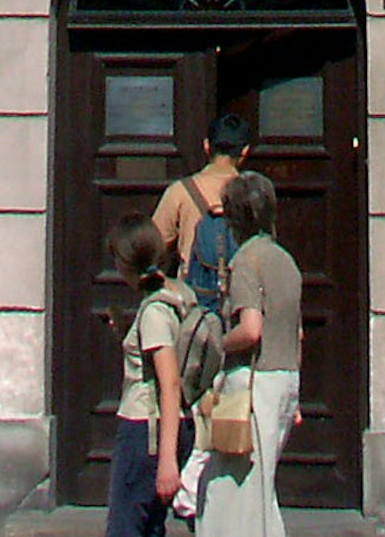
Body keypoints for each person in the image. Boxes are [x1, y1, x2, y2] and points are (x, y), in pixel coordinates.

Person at [204, 168, 303, 537]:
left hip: (253, 382)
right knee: (263, 490)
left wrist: (218, 341)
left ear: (234, 218)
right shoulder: (286, 261)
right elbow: (297, 332)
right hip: (286, 378)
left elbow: (250, 329)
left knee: (234, 494)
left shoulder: (247, 260)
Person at [103, 217, 201, 537]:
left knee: (126, 527)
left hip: (145, 431)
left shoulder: (155, 312)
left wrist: (167, 461)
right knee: (149, 527)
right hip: (166, 429)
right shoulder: (179, 296)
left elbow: (169, 383)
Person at [153, 110, 252, 309]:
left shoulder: (180, 192)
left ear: (206, 146)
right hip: (244, 305)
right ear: (245, 152)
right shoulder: (256, 194)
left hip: (194, 305)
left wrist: (169, 287)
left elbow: (150, 249)